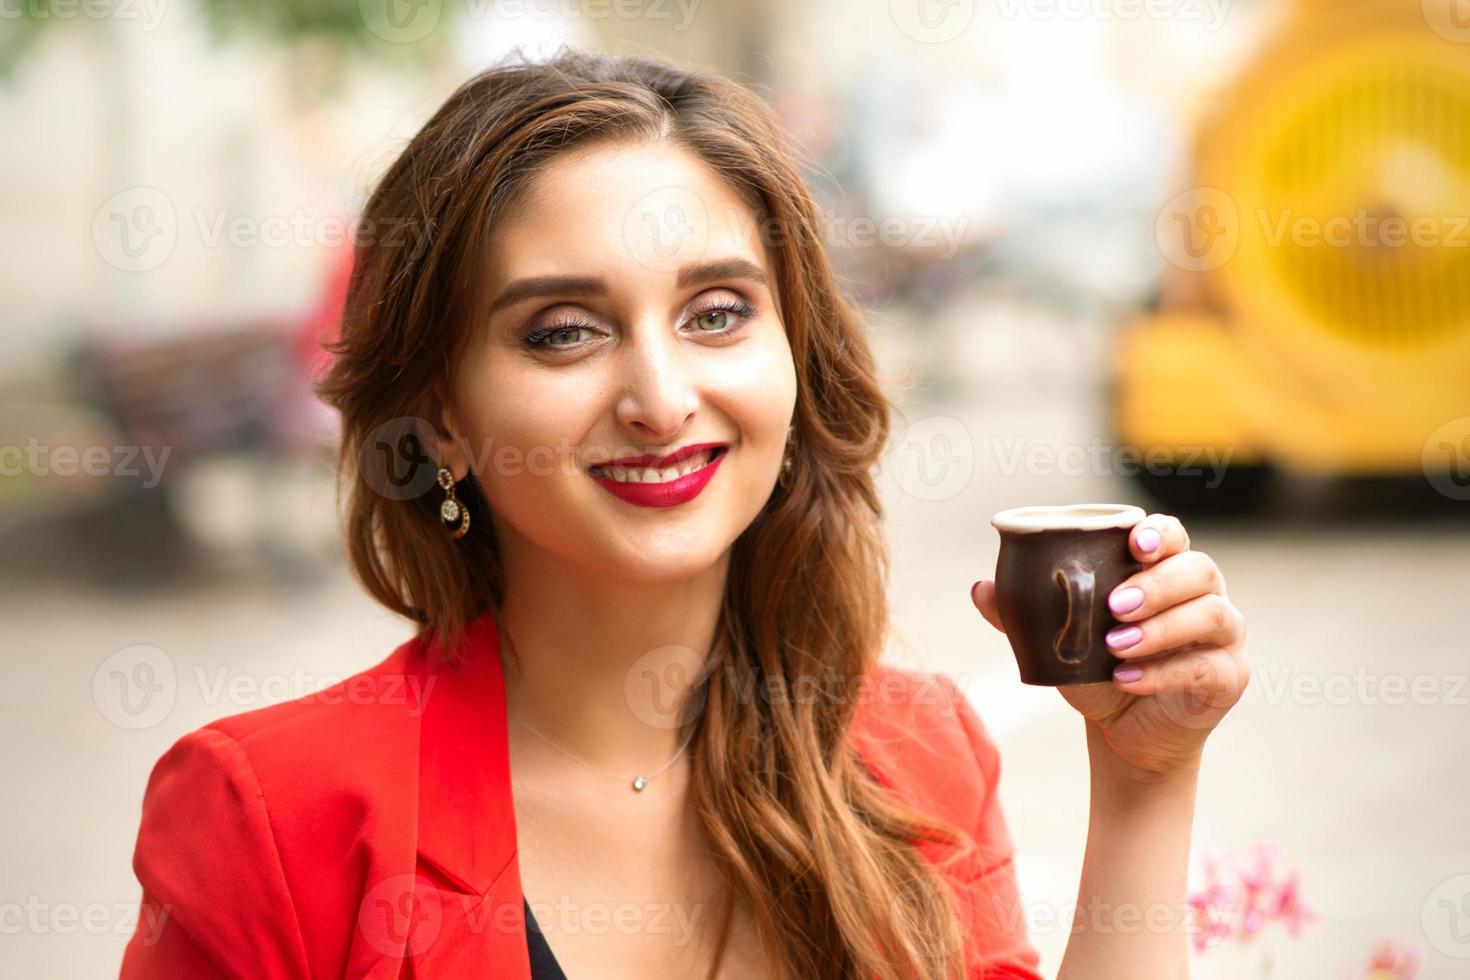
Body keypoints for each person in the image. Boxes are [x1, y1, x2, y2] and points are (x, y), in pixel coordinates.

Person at [119, 48, 1250, 980]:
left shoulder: (918, 755)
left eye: (716, 313)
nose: (661, 400)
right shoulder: (269, 816)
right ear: (442, 414)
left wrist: (1146, 780)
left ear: (793, 358)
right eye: (563, 329)